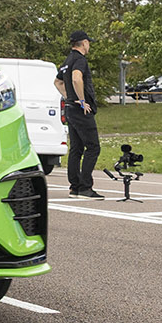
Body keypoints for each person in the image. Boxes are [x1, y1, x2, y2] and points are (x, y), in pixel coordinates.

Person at [61, 30, 103, 199]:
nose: (89, 45)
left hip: (70, 108)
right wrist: (82, 100)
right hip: (80, 109)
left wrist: (68, 96)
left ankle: (75, 187)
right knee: (93, 147)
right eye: (88, 42)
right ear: (84, 42)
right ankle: (86, 187)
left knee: (76, 148)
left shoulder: (67, 60)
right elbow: (77, 78)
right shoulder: (79, 60)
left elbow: (57, 81)